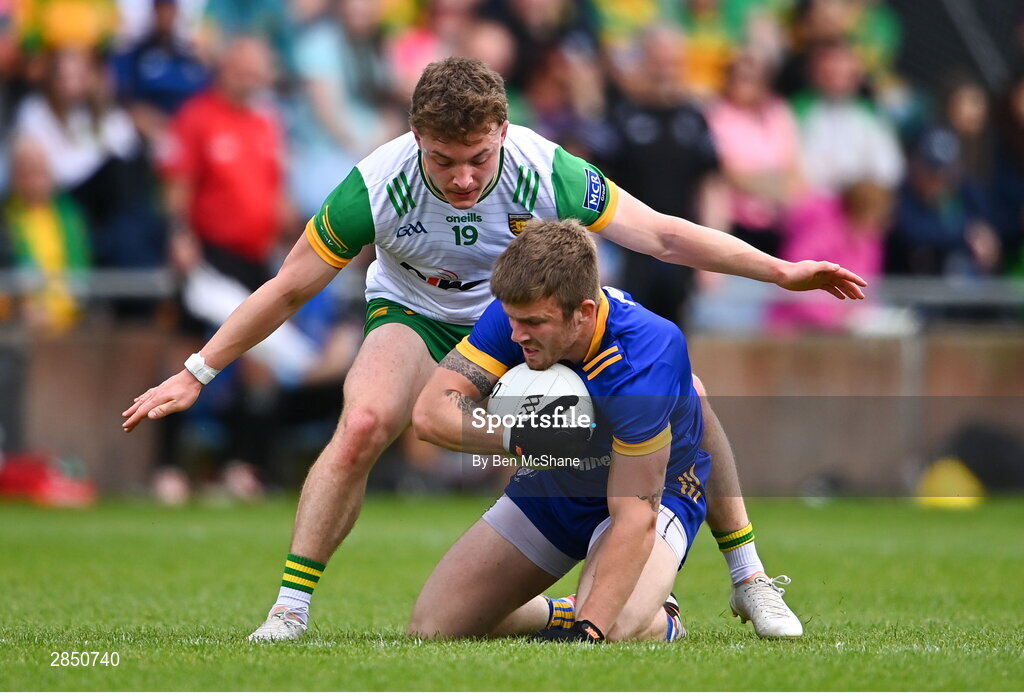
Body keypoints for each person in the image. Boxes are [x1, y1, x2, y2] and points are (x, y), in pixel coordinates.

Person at [121, 57, 865, 642]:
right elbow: (288, 288)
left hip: (531, 312)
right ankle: (288, 612)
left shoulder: (547, 170)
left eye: (478, 156)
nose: (465, 176)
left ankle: (749, 575)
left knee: (686, 389)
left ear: (504, 132)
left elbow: (665, 233)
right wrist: (199, 370)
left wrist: (781, 270)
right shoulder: (375, 187)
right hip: (418, 311)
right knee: (363, 424)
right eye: (444, 159)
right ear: (416, 139)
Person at [407, 218, 707, 642]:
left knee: (614, 627)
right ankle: (567, 610)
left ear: (583, 312)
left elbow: (636, 514)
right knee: (434, 627)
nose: (516, 335)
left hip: (654, 493)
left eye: (533, 323)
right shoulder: (513, 314)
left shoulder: (646, 355)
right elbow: (430, 412)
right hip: (561, 479)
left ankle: (662, 615)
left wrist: (592, 630)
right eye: (512, 319)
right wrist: (522, 437)